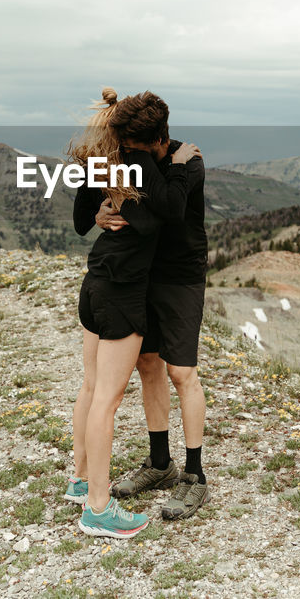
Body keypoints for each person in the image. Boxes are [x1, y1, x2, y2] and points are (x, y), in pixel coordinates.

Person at [64, 88, 200, 539]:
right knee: (108, 399)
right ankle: (98, 509)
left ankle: (81, 482)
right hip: (122, 292)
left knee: (91, 387)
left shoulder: (110, 161)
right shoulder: (141, 167)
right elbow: (167, 212)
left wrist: (106, 205)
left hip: (97, 281)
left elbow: (86, 219)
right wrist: (174, 169)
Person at [96, 135, 209, 519]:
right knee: (148, 365)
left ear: (158, 138)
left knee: (182, 371)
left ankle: (195, 476)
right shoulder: (135, 159)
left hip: (181, 277)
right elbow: (124, 205)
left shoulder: (188, 160)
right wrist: (102, 211)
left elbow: (169, 211)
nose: (132, 153)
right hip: (146, 273)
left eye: (137, 146)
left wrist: (174, 166)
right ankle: (161, 464)